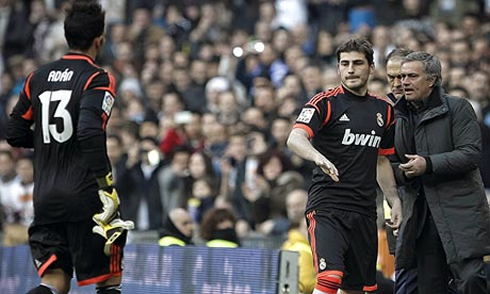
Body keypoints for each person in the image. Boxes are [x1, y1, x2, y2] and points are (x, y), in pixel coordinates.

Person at [6, 2, 133, 294]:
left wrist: (47, 142)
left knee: (53, 284)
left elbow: (14, 132)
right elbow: (89, 131)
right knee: (108, 282)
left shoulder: (36, 77)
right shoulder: (97, 78)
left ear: (67, 36)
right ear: (100, 39)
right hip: (87, 196)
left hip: (46, 197)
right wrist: (106, 185)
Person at [286, 37, 402, 294]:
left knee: (360, 288)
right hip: (327, 206)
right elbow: (295, 138)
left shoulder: (384, 110)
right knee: (330, 277)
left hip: (364, 210)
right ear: (338, 68)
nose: (350, 69)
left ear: (371, 68)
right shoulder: (324, 102)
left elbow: (382, 159)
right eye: (345, 63)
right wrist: (317, 156)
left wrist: (393, 199)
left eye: (358, 63)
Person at [392, 51, 490, 293]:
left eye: (412, 76)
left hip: (460, 211)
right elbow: (388, 164)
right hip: (422, 217)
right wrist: (404, 173)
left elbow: (470, 154)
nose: (404, 82)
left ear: (432, 79)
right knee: (431, 288)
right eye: (402, 76)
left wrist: (428, 164)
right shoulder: (397, 116)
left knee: (471, 281)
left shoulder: (458, 108)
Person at [385, 48, 419, 294]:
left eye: (403, 76)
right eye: (392, 77)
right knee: (405, 276)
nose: (398, 83)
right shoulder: (382, 113)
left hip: (438, 204)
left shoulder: (439, 110)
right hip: (400, 204)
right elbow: (377, 165)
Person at [281, 189, 316, 294]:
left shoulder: (288, 242)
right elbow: (305, 285)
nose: (294, 210)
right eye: (290, 206)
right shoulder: (302, 249)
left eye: (298, 205)